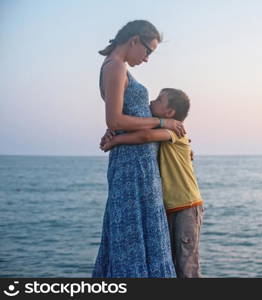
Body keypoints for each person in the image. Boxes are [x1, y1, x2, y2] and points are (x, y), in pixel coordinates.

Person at [92, 20, 183, 278]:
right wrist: (161, 121)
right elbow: (115, 120)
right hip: (131, 167)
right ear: (133, 40)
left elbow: (121, 120)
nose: (147, 58)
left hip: (139, 164)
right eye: (148, 51)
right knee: (131, 236)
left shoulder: (118, 67)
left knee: (142, 234)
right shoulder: (115, 67)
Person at [101, 88, 204, 278]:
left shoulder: (175, 130)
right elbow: (139, 129)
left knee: (187, 265)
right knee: (172, 261)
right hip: (172, 207)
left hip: (186, 206)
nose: (152, 102)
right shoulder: (163, 128)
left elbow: (144, 137)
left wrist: (115, 141)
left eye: (159, 100)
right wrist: (112, 131)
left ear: (170, 113)